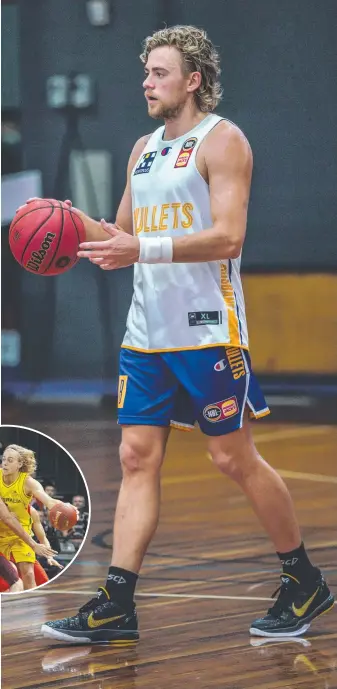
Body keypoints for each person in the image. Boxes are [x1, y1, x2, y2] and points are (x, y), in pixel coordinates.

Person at [30, 25, 332, 642]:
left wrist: (145, 246)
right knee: (135, 458)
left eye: (159, 73)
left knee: (231, 457)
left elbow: (228, 237)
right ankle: (117, 602)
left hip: (207, 331)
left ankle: (303, 580)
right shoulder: (143, 147)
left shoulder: (224, 142)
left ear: (193, 80)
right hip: (146, 336)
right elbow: (119, 231)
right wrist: (59, 220)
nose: (146, 81)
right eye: (145, 72)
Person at [0, 444, 67, 589]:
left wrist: (65, 508)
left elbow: (48, 501)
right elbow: (6, 517)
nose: (4, 463)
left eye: (10, 460)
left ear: (20, 464)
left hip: (21, 535)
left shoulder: (29, 484)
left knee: (28, 574)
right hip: (1, 534)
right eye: (3, 459)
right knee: (11, 575)